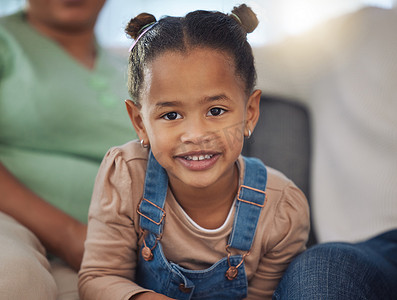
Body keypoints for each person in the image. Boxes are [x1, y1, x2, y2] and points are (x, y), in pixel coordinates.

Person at [78, 4, 310, 300]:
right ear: (140, 123)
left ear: (250, 112)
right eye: (171, 115)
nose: (195, 135)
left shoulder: (282, 212)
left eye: (215, 110)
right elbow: (99, 278)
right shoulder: (125, 175)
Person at [252, 5, 397, 299]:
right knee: (319, 273)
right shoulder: (352, 35)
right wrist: (147, 49)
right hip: (372, 244)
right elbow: (224, 65)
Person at [0, 0, 136, 298]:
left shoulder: (137, 67)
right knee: (15, 277)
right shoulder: (5, 42)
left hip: (109, 252)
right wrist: (71, 235)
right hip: (11, 225)